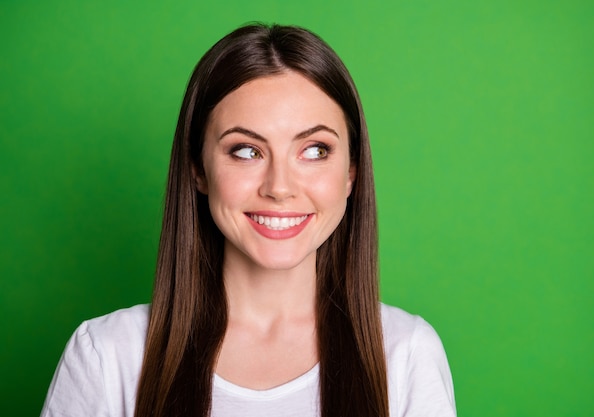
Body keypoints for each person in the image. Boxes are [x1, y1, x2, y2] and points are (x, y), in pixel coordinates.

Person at [40, 24, 456, 417]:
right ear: (198, 170)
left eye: (314, 150)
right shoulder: (107, 355)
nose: (279, 187)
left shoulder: (406, 354)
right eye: (245, 151)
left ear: (352, 173)